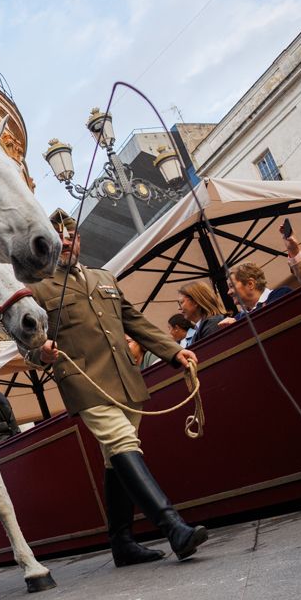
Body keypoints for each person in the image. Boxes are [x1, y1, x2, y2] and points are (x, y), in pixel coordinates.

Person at [29, 211, 207, 566]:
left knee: (115, 459)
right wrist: (40, 352)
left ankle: (122, 543)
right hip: (85, 383)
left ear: (79, 241)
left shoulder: (104, 277)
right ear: (47, 246)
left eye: (71, 236)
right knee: (125, 444)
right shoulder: (37, 289)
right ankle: (173, 528)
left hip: (126, 379)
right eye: (58, 238)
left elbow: (134, 321)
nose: (66, 242)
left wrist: (173, 352)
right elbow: (28, 343)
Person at [218, 262, 286, 327]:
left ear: (250, 284)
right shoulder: (237, 319)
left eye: (231, 286)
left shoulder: (281, 294)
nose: (229, 292)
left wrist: (239, 323)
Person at [176, 281, 229, 347]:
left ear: (195, 301)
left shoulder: (212, 325)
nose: (179, 308)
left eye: (181, 302)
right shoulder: (201, 327)